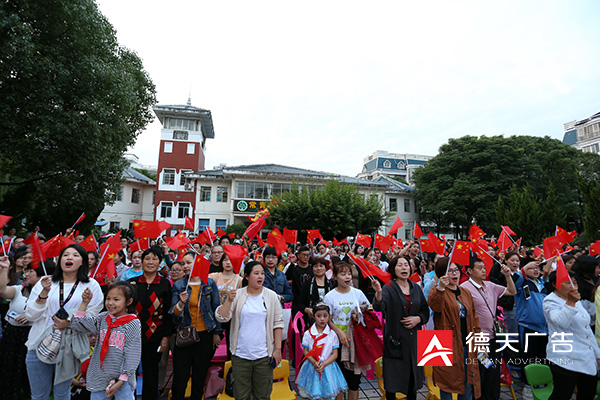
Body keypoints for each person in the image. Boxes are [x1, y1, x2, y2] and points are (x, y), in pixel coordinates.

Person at [25, 244, 104, 400]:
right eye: (65, 255)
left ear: (83, 262)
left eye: (75, 255)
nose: (69, 258)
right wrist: (44, 293)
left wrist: (70, 323)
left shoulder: (91, 285)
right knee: (39, 395)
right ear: (59, 260)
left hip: (69, 347)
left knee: (62, 394)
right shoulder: (46, 282)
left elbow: (93, 317)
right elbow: (30, 315)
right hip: (38, 344)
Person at [215, 261, 284, 400]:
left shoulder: (271, 296)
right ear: (246, 276)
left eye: (262, 274)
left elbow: (278, 323)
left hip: (264, 356)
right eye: (256, 273)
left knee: (263, 396)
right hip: (240, 355)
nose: (260, 277)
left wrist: (277, 349)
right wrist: (229, 300)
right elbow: (222, 317)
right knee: (241, 396)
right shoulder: (237, 295)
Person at [67, 281, 141, 400]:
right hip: (99, 375)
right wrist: (84, 303)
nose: (110, 303)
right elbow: (77, 323)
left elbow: (132, 353)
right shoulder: (103, 318)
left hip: (122, 379)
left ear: (129, 302)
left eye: (116, 299)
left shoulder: (133, 323)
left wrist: (121, 380)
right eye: (108, 298)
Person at [372, 256, 429, 400]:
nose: (404, 268)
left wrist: (418, 319)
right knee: (393, 383)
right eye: (400, 265)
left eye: (406, 265)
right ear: (393, 268)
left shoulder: (415, 287)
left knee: (412, 383)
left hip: (414, 342)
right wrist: (378, 292)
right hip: (395, 341)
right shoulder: (388, 287)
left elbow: (424, 311)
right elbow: (379, 306)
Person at [461, 257, 515, 400]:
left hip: (493, 337)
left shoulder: (490, 285)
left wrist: (508, 276)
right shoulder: (465, 288)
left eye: (484, 267)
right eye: (479, 268)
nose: (484, 270)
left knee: (493, 374)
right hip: (478, 339)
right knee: (480, 375)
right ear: (469, 271)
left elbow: (512, 291)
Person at [169, 251, 222, 400]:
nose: (185, 266)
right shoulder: (179, 285)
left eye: (188, 262)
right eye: (183, 263)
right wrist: (181, 302)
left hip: (204, 336)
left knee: (199, 378)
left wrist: (216, 333)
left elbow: (216, 308)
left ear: (196, 263)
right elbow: (173, 312)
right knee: (180, 379)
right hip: (184, 336)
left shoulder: (209, 284)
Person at [0, 255, 53, 400]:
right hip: (13, 334)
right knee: (8, 367)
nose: (26, 274)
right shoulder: (19, 290)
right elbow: (2, 290)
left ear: (43, 275)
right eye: (26, 271)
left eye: (31, 271)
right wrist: (4, 270)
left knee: (27, 370)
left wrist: (30, 316)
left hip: (32, 336)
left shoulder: (52, 294)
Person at [428, 257, 481, 400]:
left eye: (456, 270)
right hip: (444, 345)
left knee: (468, 382)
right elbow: (435, 306)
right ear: (442, 274)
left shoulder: (465, 292)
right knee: (445, 383)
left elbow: (474, 319)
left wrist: (480, 343)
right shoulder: (437, 291)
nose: (454, 274)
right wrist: (440, 287)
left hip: (466, 344)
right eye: (449, 271)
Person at [543, 271, 600, 400]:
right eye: (568, 283)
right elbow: (560, 322)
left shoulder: (575, 299)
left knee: (588, 393)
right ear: (554, 284)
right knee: (562, 394)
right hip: (565, 356)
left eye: (574, 282)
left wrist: (597, 354)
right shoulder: (550, 301)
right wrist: (570, 302)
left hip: (586, 356)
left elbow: (586, 330)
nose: (573, 286)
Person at [128, 247, 172, 400]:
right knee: (128, 373)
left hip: (154, 336)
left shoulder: (165, 284)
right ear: (142, 261)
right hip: (131, 336)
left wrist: (166, 336)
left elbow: (168, 312)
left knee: (151, 373)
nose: (150, 262)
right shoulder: (131, 284)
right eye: (147, 258)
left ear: (160, 262)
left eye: (154, 259)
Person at [324, 261, 370, 400]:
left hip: (355, 340)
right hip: (337, 341)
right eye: (343, 274)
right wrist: (339, 332)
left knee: (354, 381)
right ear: (335, 277)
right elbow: (328, 319)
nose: (347, 277)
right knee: (339, 379)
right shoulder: (330, 296)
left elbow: (368, 311)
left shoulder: (358, 293)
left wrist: (359, 315)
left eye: (349, 273)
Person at [295, 303, 348, 400]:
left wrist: (324, 364)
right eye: (319, 316)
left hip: (329, 367)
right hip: (312, 367)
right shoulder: (308, 333)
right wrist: (314, 362)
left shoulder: (332, 334)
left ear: (329, 316)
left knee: (330, 392)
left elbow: (335, 354)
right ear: (313, 316)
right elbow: (306, 351)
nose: (322, 319)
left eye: (325, 316)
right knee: (314, 393)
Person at [208, 252, 242, 358]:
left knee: (231, 348)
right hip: (215, 316)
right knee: (210, 348)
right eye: (225, 260)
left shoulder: (239, 280)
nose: (228, 263)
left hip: (231, 317)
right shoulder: (214, 276)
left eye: (230, 260)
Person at [298, 256, 333, 324]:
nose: (318, 268)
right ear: (312, 269)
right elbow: (300, 303)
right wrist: (307, 310)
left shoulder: (331, 284)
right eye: (316, 266)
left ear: (326, 268)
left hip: (329, 320)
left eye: (321, 266)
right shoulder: (308, 284)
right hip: (312, 320)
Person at [286, 246, 313, 316]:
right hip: (297, 302)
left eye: (308, 255)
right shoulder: (294, 269)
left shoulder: (312, 269)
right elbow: (287, 277)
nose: (306, 257)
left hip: (309, 302)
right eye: (303, 255)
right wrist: (291, 264)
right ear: (298, 256)